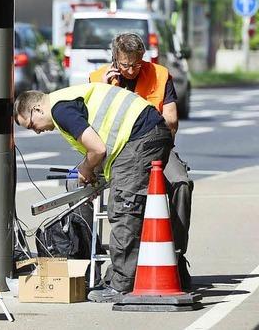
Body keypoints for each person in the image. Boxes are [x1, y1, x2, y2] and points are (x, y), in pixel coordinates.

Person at [14, 83, 173, 302]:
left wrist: (86, 168)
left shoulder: (60, 110)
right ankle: (130, 276)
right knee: (132, 208)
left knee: (123, 211)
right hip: (145, 133)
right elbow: (103, 141)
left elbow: (98, 148)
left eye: (32, 125)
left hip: (140, 137)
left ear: (38, 109)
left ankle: (121, 285)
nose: (37, 131)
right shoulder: (65, 100)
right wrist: (95, 173)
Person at [89, 33, 193, 291]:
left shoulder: (159, 74)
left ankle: (176, 256)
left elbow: (171, 119)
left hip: (156, 149)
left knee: (181, 183)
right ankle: (88, 262)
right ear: (115, 59)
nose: (131, 69)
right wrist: (105, 90)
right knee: (78, 189)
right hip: (114, 154)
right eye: (125, 64)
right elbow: (90, 126)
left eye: (137, 63)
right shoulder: (97, 78)